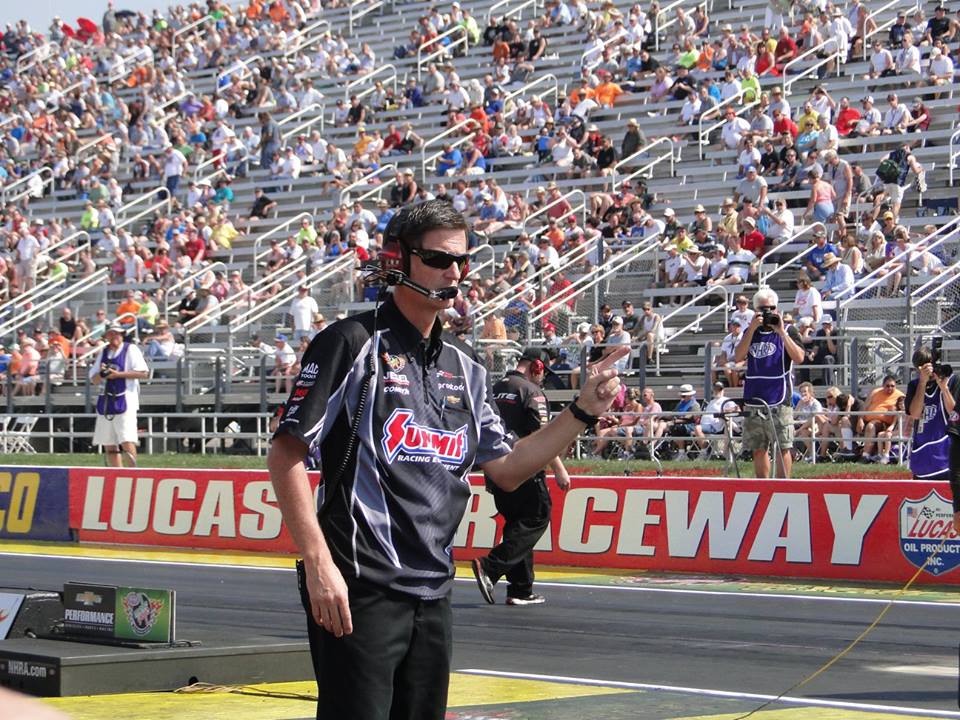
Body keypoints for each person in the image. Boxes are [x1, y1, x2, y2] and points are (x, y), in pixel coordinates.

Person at [267, 201, 626, 720]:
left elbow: (506, 467)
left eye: (462, 260)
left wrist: (583, 411)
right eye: (438, 259)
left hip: (434, 591)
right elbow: (286, 454)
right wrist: (319, 564)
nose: (454, 272)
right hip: (358, 586)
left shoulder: (467, 364)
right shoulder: (350, 343)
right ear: (398, 261)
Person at [474, 349, 570, 606]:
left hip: (496, 470)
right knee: (537, 517)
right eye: (544, 372)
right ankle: (490, 567)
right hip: (526, 470)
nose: (544, 379)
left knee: (517, 525)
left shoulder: (493, 387)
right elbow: (543, 435)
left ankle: (520, 588)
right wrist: (559, 468)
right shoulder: (531, 391)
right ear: (537, 366)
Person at [734, 288, 805, 478]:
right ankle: (763, 486)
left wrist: (781, 331)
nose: (768, 312)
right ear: (756, 310)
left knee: (783, 447)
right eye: (763, 309)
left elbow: (799, 357)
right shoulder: (751, 332)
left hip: (780, 397)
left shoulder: (789, 330)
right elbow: (738, 356)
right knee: (758, 448)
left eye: (772, 308)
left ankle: (783, 486)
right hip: (755, 396)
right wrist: (752, 329)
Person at [89, 323, 149, 467]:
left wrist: (118, 375)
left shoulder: (131, 349)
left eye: (117, 334)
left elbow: (143, 373)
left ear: (122, 335)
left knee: (126, 439)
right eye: (111, 334)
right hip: (106, 400)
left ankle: (132, 473)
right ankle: (116, 472)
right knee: (108, 441)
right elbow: (94, 379)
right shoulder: (104, 353)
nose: (114, 337)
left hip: (126, 399)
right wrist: (102, 374)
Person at [906, 345, 960, 479]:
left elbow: (954, 414)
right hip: (923, 456)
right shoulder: (915, 385)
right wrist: (922, 383)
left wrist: (944, 389)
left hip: (947, 455)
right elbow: (915, 414)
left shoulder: (952, 380)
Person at [862, 374, 905, 464]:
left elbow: (903, 411)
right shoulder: (875, 392)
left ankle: (865, 455)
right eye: (887, 386)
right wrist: (860, 420)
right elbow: (864, 407)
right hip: (868, 419)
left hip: (885, 424)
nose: (890, 388)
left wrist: (893, 410)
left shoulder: (900, 396)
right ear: (883, 386)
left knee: (871, 426)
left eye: (892, 386)